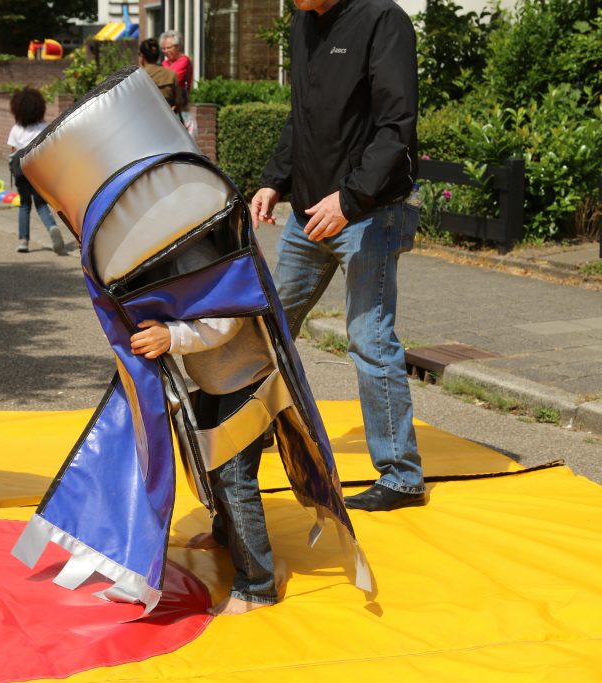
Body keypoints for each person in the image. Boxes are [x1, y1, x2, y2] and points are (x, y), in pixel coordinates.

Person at [251, 0, 426, 512]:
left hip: (370, 212)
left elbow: (396, 126)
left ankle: (402, 477)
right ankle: (260, 426)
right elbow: (302, 118)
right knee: (269, 326)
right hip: (310, 215)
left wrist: (349, 200)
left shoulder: (382, 20)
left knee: (369, 339)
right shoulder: (304, 22)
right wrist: (274, 180)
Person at [130, 239, 280, 616]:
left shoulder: (194, 254)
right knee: (211, 465)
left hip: (246, 378)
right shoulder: (158, 252)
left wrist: (172, 336)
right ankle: (226, 533)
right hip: (217, 378)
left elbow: (229, 314)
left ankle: (258, 584)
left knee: (234, 478)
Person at [7, 87, 65, 255]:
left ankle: (23, 241)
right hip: (38, 170)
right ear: (39, 108)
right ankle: (52, 227)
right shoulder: (44, 127)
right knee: (41, 204)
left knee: (25, 204)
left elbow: (12, 152)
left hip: (21, 171)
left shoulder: (16, 129)